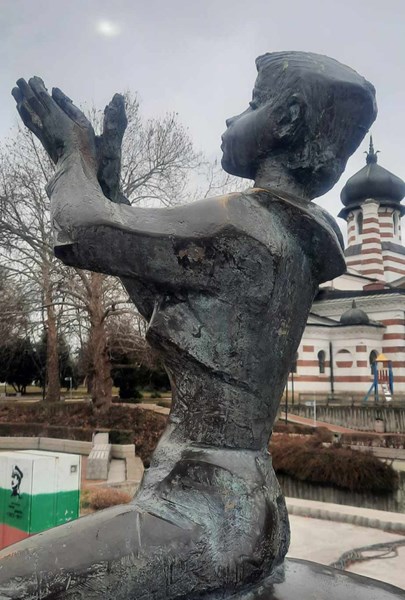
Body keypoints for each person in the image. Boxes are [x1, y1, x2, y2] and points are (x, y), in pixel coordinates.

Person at [0, 52, 376, 600]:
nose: (231, 118)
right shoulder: (289, 238)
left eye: (252, 103)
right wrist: (112, 185)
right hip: (244, 505)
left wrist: (68, 155)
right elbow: (161, 291)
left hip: (203, 512)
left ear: (288, 119)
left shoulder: (241, 222)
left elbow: (82, 229)